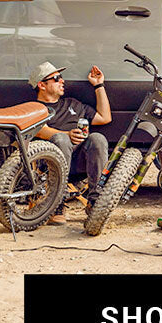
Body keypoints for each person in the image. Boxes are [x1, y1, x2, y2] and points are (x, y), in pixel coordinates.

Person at [30, 61, 112, 223]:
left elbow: (105, 118)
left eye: (62, 78)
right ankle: (56, 203)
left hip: (79, 162)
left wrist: (99, 86)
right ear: (42, 85)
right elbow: (41, 130)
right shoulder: (34, 108)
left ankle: (95, 201)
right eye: (56, 78)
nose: (62, 81)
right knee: (60, 139)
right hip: (50, 164)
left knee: (98, 138)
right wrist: (66, 134)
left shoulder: (73, 104)